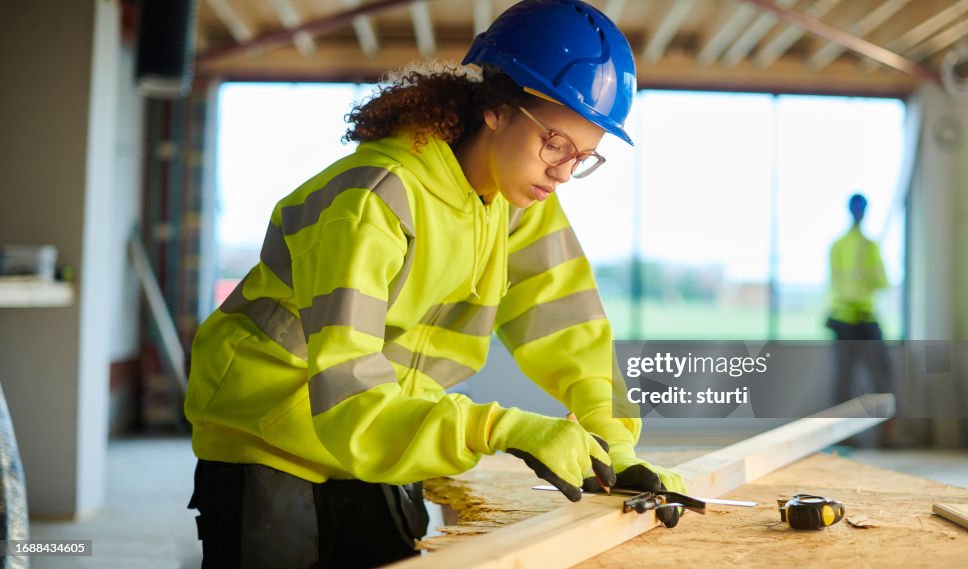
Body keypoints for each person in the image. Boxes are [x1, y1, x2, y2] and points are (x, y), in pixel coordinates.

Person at [184, 1, 686, 567]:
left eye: (585, 157)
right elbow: (350, 396)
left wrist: (613, 444)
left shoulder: (519, 202)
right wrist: (496, 426)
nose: (564, 173)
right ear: (497, 107)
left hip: (387, 438)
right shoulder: (373, 200)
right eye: (556, 145)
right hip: (270, 441)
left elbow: (573, 333)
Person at [826, 193, 894, 410]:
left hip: (860, 317)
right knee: (847, 377)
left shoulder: (860, 246)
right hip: (848, 318)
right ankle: (844, 433)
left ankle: (886, 429)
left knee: (878, 373)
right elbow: (881, 282)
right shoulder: (847, 246)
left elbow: (882, 282)